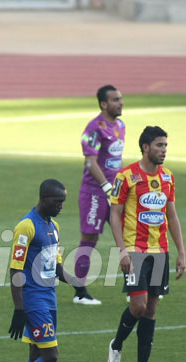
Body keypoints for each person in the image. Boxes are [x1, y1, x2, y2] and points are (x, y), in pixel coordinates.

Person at [107, 126, 186, 362]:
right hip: (135, 250)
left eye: (165, 145)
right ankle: (117, 344)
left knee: (151, 310)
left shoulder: (168, 178)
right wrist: (121, 250)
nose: (164, 150)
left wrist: (181, 252)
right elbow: (114, 214)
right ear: (145, 147)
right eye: (159, 145)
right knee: (138, 307)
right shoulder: (127, 176)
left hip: (160, 251)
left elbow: (171, 215)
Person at [3, 179, 79, 362]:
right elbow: (15, 269)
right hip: (33, 299)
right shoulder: (26, 227)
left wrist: (75, 283)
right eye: (57, 201)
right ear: (44, 198)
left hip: (50, 297)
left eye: (63, 202)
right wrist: (19, 307)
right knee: (51, 355)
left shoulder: (54, 226)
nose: (61, 206)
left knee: (36, 354)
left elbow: (55, 266)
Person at [72, 85, 126, 305]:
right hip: (95, 192)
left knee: (127, 234)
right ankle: (80, 291)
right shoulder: (94, 128)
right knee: (90, 238)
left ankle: (134, 286)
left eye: (121, 99)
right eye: (115, 100)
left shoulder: (120, 125)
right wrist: (105, 186)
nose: (121, 103)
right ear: (104, 104)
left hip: (116, 191)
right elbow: (90, 161)